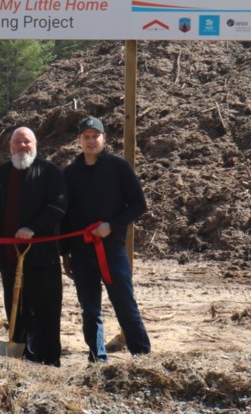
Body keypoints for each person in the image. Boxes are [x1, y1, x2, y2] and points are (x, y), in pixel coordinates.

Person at [62, 116, 151, 363]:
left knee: (125, 305)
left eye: (95, 136)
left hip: (113, 251)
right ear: (79, 140)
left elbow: (138, 205)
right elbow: (65, 217)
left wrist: (111, 226)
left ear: (104, 138)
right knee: (90, 310)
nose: (91, 141)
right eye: (86, 137)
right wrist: (65, 253)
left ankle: (143, 358)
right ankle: (97, 358)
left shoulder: (119, 168)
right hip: (81, 254)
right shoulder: (69, 174)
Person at [0, 126, 67, 366]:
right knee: (15, 308)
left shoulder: (50, 172)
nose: (22, 146)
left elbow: (59, 205)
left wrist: (33, 228)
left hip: (43, 257)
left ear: (36, 145)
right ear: (10, 146)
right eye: (18, 142)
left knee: (45, 309)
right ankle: (18, 358)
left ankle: (48, 360)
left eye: (27, 142)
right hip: (11, 258)